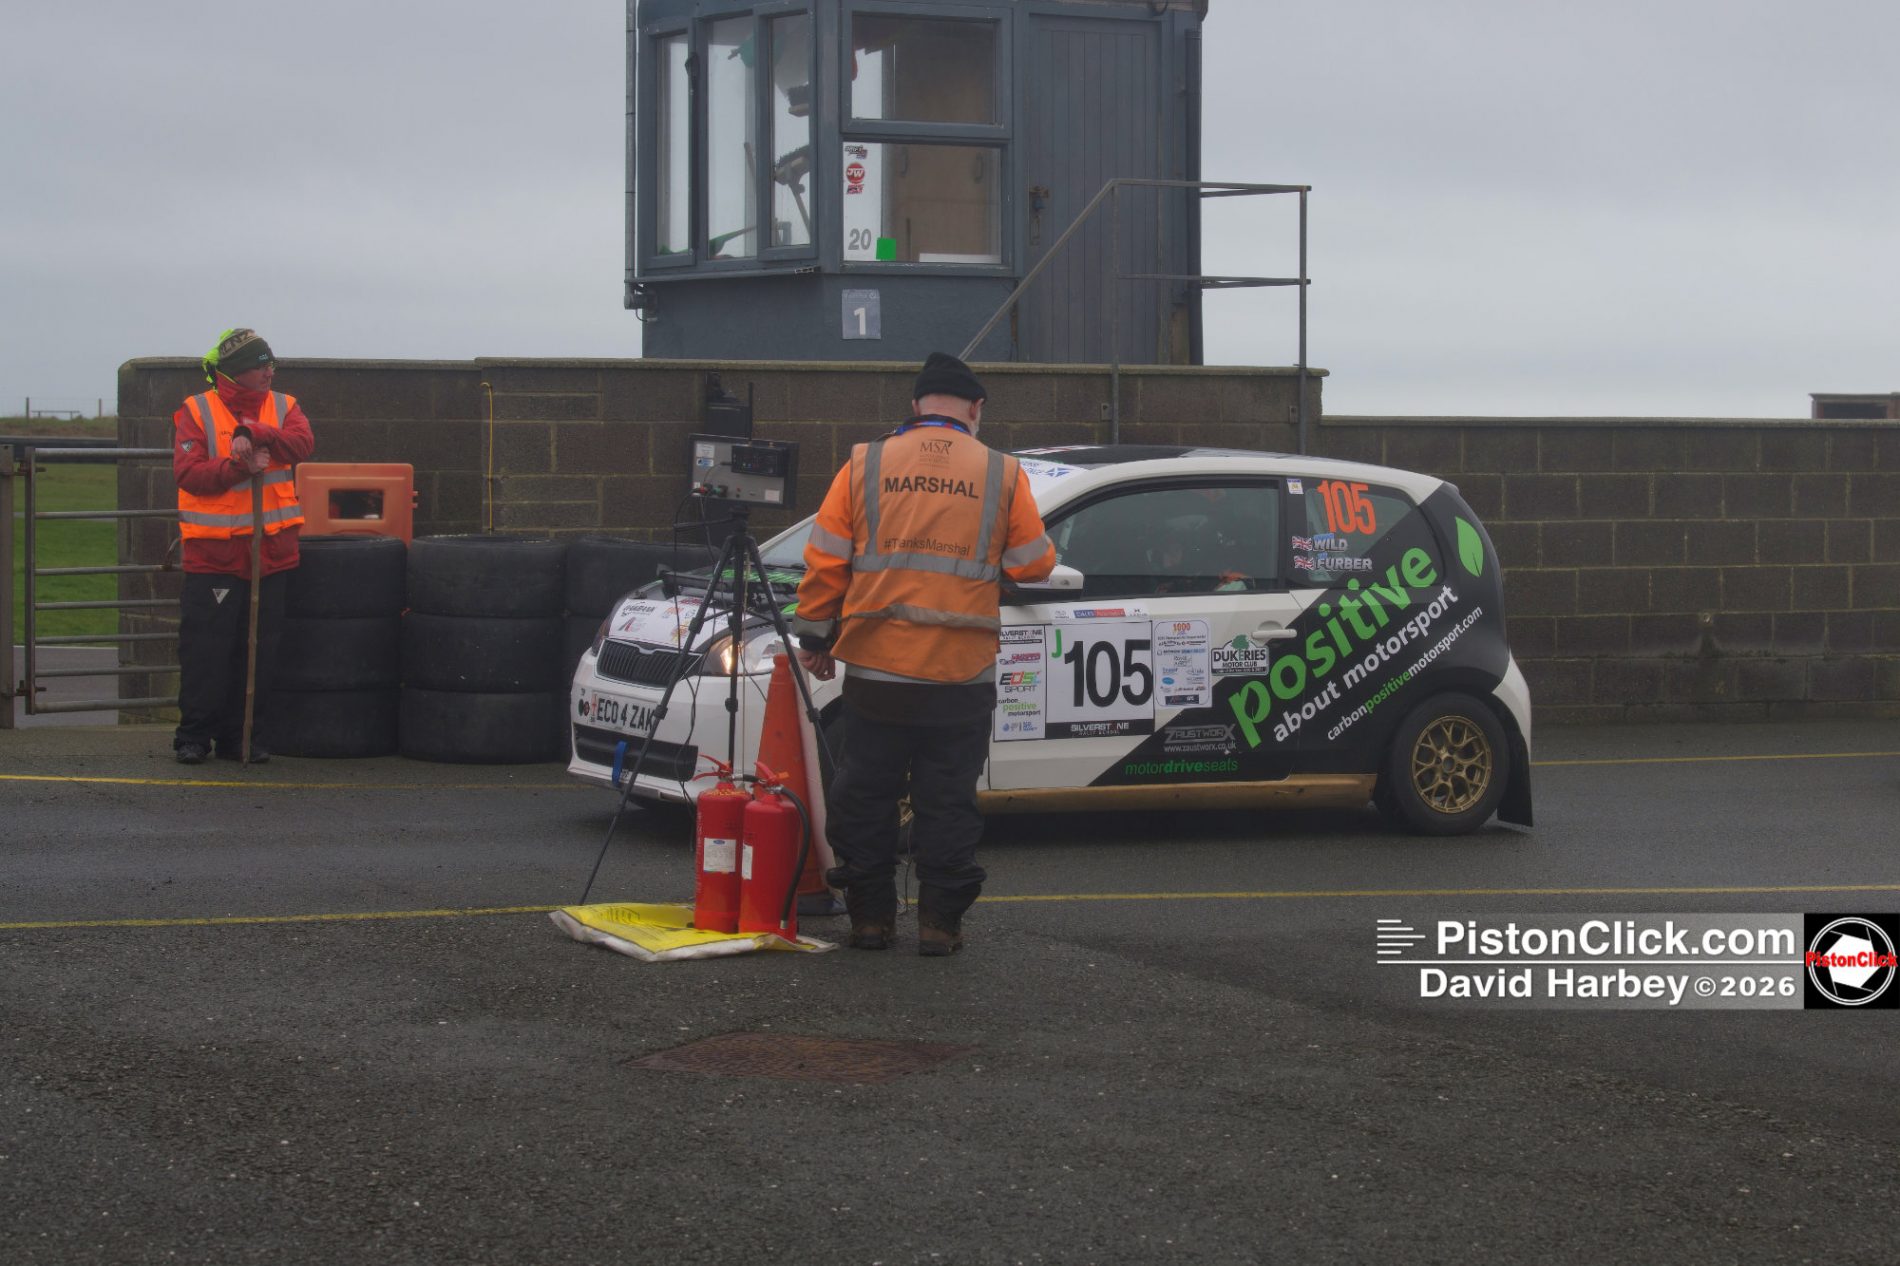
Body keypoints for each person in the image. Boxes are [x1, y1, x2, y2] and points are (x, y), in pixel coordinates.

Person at [792, 352, 1056, 956]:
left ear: (915, 406)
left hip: (878, 668)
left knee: (866, 794)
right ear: (976, 408)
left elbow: (827, 556)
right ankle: (940, 925)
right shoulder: (1001, 472)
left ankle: (869, 920)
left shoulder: (866, 462)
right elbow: (1033, 563)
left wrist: (815, 637)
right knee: (948, 800)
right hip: (961, 673)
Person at [170, 328, 315, 764]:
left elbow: (303, 444)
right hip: (214, 554)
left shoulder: (286, 406)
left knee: (260, 651)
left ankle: (243, 736)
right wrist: (236, 466)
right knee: (206, 650)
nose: (270, 371)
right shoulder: (195, 411)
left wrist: (257, 432)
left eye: (271, 363)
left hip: (272, 553)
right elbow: (189, 473)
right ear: (235, 373)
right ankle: (194, 736)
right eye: (260, 365)